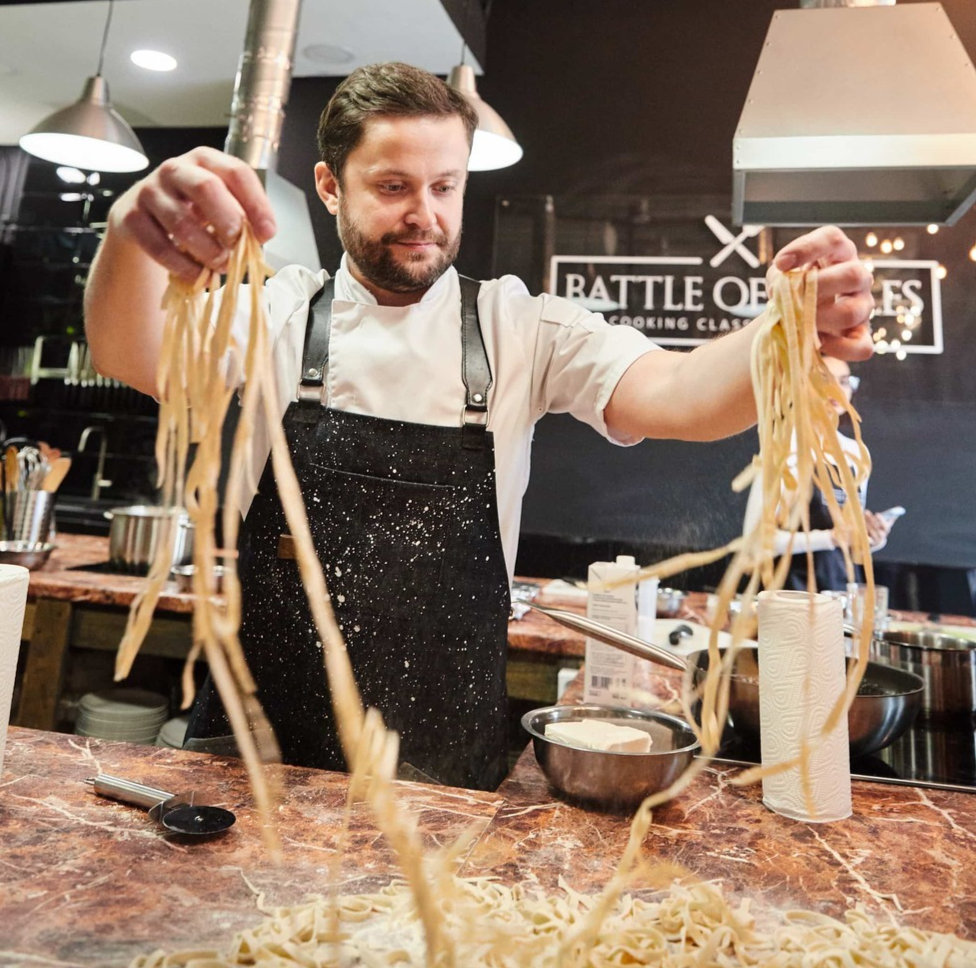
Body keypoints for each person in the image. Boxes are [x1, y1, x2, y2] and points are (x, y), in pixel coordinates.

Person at [84, 62, 873, 790]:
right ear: (329, 186)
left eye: (444, 186)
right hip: (258, 756)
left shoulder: (517, 328)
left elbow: (677, 393)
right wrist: (128, 234)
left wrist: (783, 329)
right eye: (392, 186)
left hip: (441, 771)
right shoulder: (278, 314)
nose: (423, 214)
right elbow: (130, 353)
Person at [742, 355, 891, 592]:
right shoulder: (783, 448)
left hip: (840, 592)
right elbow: (756, 541)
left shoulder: (856, 452)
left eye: (844, 381)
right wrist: (830, 538)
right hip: (789, 593)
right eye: (823, 379)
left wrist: (871, 538)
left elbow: (850, 541)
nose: (836, 389)